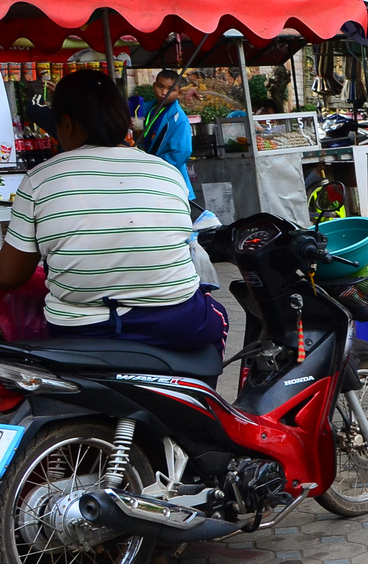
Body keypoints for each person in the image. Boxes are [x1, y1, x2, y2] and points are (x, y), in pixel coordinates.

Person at [0, 71, 228, 353]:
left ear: (67, 124)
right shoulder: (166, 173)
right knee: (218, 316)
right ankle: (200, 396)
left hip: (80, 330)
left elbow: (9, 276)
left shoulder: (38, 179)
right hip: (175, 322)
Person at [137, 68, 195, 202]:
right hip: (154, 178)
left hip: (171, 180)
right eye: (160, 86)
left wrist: (155, 167)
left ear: (179, 93)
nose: (164, 92)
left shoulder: (179, 118)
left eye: (171, 89)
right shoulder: (147, 109)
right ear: (154, 86)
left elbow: (182, 152)